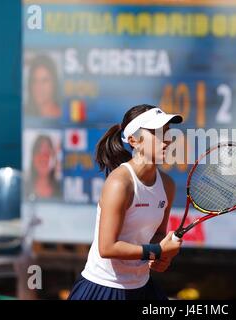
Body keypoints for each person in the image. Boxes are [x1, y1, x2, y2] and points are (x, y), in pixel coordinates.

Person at [68, 104, 183, 300]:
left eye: (166, 132)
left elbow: (158, 234)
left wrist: (162, 256)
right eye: (155, 133)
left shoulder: (167, 185)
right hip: (103, 288)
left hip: (142, 287)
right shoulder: (119, 183)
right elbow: (107, 247)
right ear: (133, 140)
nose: (165, 140)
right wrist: (156, 251)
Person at [26, 55, 61, 119]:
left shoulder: (65, 116)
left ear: (54, 83)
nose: (38, 87)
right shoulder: (24, 115)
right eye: (34, 80)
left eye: (44, 81)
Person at [28, 135, 61, 199]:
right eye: (39, 153)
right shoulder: (24, 188)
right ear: (33, 158)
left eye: (47, 153)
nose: (43, 158)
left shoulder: (61, 190)